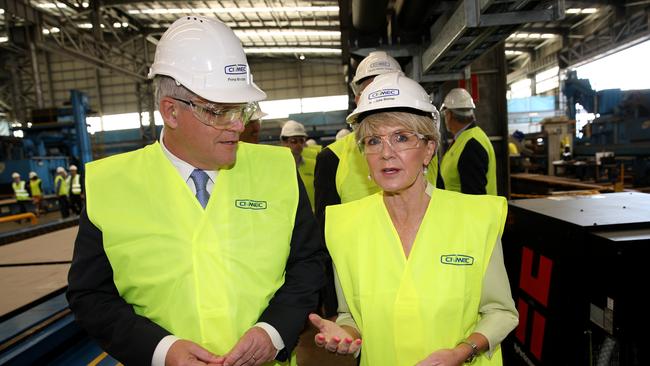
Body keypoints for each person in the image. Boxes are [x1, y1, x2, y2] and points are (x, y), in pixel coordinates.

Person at [66, 16, 325, 366]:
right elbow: (91, 296)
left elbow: (307, 264)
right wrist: (162, 350)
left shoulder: (277, 170)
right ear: (171, 112)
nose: (238, 125)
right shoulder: (111, 184)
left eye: (241, 109)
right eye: (219, 112)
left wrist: (273, 332)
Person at [310, 73, 518, 366]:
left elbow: (500, 312)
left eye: (402, 138)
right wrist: (344, 334)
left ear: (428, 150)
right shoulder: (346, 226)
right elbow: (350, 316)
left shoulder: (475, 218)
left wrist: (462, 352)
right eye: (373, 141)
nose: (386, 153)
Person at [313, 51, 438, 316]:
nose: (386, 153)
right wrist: (336, 303)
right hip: (367, 286)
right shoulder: (332, 158)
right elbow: (326, 236)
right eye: (373, 90)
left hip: (427, 274)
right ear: (358, 100)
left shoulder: (423, 149)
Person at [439, 88, 497, 195]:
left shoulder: (471, 145)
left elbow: (474, 195)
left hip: (467, 211)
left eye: (445, 114)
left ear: (449, 115)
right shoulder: (468, 138)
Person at [280, 120, 316, 211]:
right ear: (284, 143)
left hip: (311, 218)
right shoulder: (277, 168)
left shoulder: (314, 165)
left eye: (301, 140)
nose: (299, 145)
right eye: (294, 141)